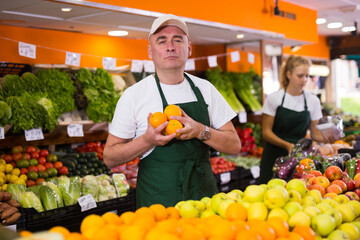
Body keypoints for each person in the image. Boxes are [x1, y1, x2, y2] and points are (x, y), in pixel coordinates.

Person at [103, 14, 241, 208]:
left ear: (189, 48)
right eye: (162, 41)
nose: (170, 46)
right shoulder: (133, 95)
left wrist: (201, 130)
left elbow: (234, 145)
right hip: (158, 202)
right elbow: (109, 157)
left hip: (203, 200)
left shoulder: (206, 89)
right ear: (150, 51)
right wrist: (147, 140)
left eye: (178, 40)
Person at [259, 55, 329, 184]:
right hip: (273, 155)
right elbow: (266, 133)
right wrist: (287, 145)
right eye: (300, 75)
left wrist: (330, 137)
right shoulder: (274, 99)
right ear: (289, 74)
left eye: (307, 76)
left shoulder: (313, 101)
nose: (304, 80)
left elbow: (315, 134)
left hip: (299, 157)